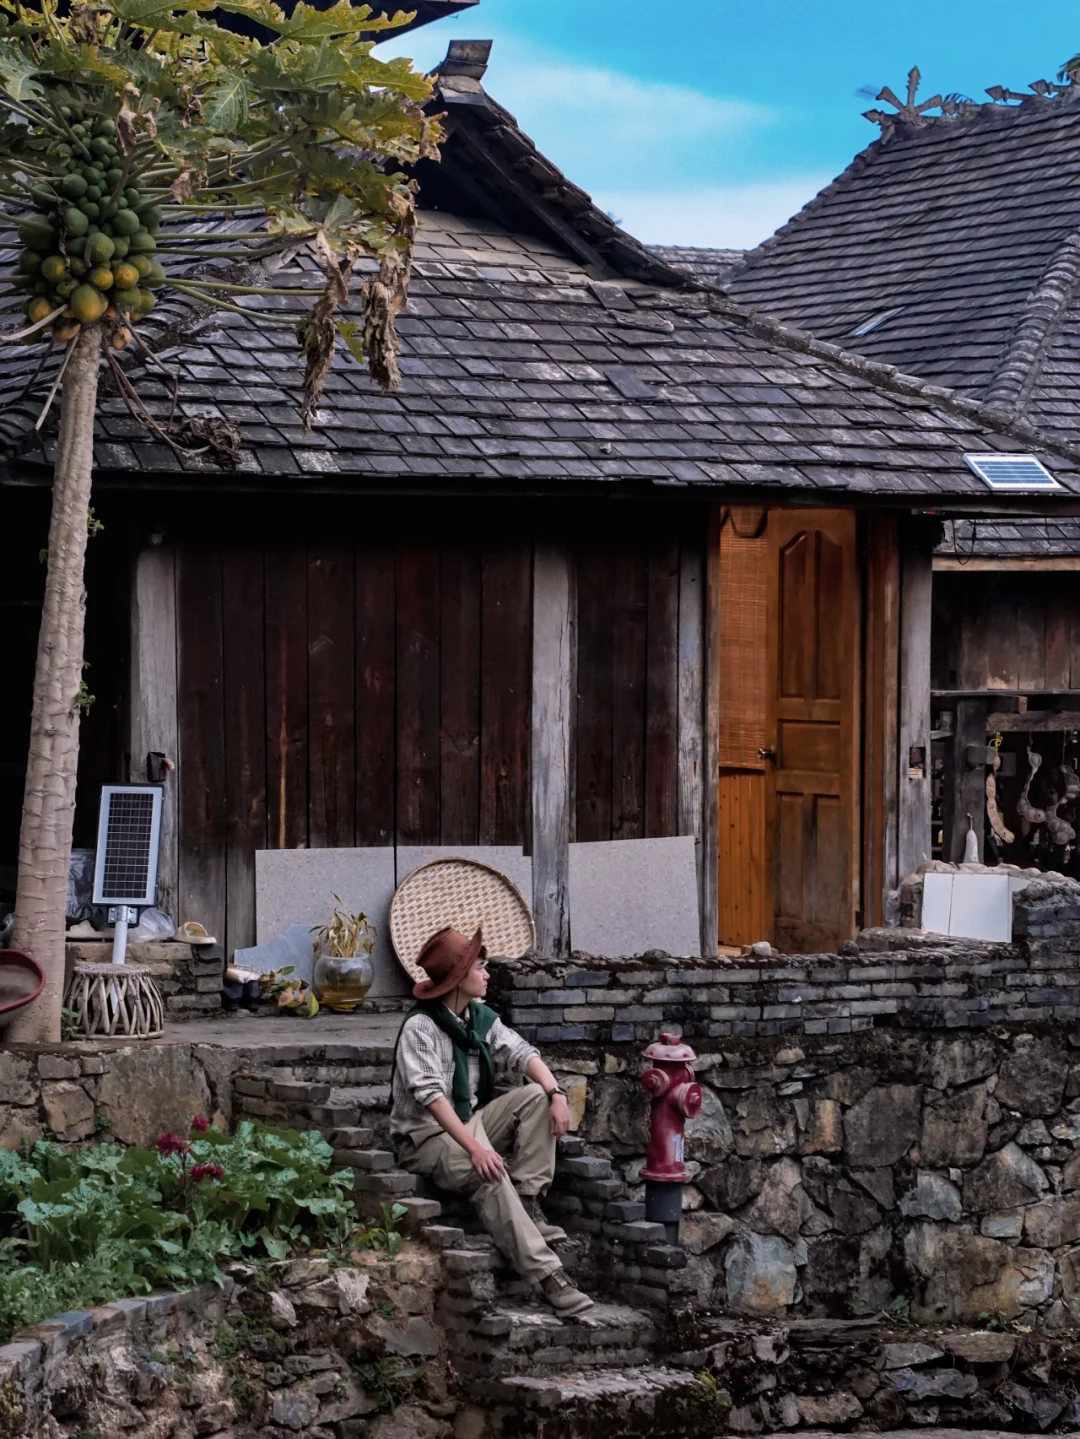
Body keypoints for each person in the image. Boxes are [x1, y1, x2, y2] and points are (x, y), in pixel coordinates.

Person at [391, 925, 594, 1317]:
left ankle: (528, 1202)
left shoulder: (477, 1017)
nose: (487, 974)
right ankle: (548, 1276)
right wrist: (477, 1149)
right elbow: (433, 1099)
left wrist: (556, 1093)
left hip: (471, 1120)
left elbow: (521, 1052)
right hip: (424, 1137)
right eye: (480, 968)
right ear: (458, 979)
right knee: (488, 1171)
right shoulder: (421, 1027)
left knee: (535, 1097)